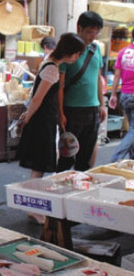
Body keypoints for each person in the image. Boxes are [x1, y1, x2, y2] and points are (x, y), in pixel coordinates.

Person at [18, 33, 85, 224]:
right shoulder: (53, 69)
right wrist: (27, 118)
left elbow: (37, 96)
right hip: (41, 121)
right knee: (39, 164)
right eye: (77, 54)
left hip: (43, 119)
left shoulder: (49, 63)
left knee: (37, 166)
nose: (77, 58)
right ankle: (32, 208)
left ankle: (32, 207)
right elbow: (38, 97)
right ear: (71, 53)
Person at [57, 11, 106, 172]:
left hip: (92, 109)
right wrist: (61, 112)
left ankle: (78, 193)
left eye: (95, 32)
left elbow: (98, 78)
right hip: (72, 110)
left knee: (85, 158)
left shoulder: (96, 49)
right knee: (67, 157)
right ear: (79, 28)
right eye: (89, 32)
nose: (92, 36)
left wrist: (102, 104)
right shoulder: (68, 50)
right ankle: (58, 191)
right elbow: (60, 85)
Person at [110, 28, 134, 161]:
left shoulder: (123, 52)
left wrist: (113, 94)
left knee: (132, 128)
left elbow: (117, 75)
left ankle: (132, 161)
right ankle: (115, 158)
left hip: (125, 94)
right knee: (133, 130)